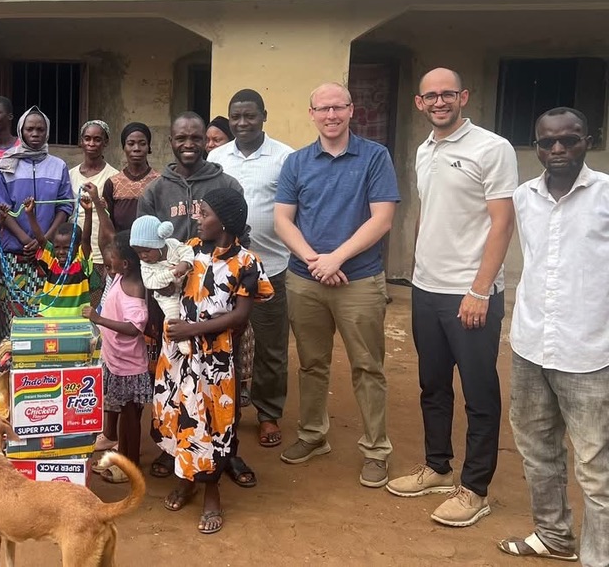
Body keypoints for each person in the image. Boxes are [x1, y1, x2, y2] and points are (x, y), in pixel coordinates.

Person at [386, 69, 517, 527]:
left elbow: (502, 222)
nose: (439, 102)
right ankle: (437, 466)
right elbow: (430, 212)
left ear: (463, 96)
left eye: (447, 94)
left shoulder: (492, 148)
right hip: (427, 289)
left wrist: (480, 289)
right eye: (431, 96)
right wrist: (417, 270)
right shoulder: (425, 149)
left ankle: (475, 488)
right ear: (419, 103)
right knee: (433, 385)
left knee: (479, 393)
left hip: (470, 293)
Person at [497, 108, 609, 565]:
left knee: (596, 468)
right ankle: (553, 536)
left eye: (569, 139)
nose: (558, 148)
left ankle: (598, 557)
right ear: (538, 147)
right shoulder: (523, 197)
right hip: (530, 345)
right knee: (537, 450)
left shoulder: (605, 195)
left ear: (587, 141)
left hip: (590, 353)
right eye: (547, 142)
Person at [274, 82, 400, 488]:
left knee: (368, 366)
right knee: (311, 363)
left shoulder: (375, 157)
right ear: (311, 114)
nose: (331, 115)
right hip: (306, 278)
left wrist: (337, 258)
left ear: (351, 110)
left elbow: (382, 219)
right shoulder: (296, 162)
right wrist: (316, 261)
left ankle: (376, 450)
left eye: (338, 107)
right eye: (323, 108)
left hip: (358, 280)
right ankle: (313, 435)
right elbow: (283, 220)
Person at [137, 112, 252, 486]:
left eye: (196, 137)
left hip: (218, 306)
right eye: (181, 138)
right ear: (170, 140)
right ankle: (173, 449)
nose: (188, 144)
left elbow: (241, 240)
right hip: (172, 304)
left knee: (223, 382)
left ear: (207, 140)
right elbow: (144, 250)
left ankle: (226, 453)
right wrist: (156, 301)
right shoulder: (156, 190)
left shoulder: (225, 183)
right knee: (174, 380)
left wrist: (235, 301)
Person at [154, 188, 273, 535]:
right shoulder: (189, 250)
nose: (197, 218)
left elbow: (240, 316)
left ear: (225, 222)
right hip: (178, 355)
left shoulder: (246, 263)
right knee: (181, 416)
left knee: (214, 423)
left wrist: (193, 329)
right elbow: (171, 286)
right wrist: (166, 286)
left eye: (204, 213)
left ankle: (211, 493)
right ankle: (186, 479)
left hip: (214, 360)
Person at [208, 89, 295, 450]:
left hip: (270, 267)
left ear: (264, 116)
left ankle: (268, 413)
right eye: (236, 117)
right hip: (224, 270)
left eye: (250, 116)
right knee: (223, 343)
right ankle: (223, 411)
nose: (242, 123)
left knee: (270, 348)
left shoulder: (284, 157)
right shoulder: (216, 157)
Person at [0, 106, 74, 335]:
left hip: (48, 255)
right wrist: (27, 240)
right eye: (30, 129)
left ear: (47, 132)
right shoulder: (5, 164)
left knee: (44, 313)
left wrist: (43, 241)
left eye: (40, 129)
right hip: (14, 253)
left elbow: (65, 206)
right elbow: (1, 207)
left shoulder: (58, 166)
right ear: (21, 131)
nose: (35, 133)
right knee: (13, 313)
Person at [84, 229, 151, 481]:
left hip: (129, 367)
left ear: (125, 263)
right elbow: (105, 240)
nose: (107, 260)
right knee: (124, 413)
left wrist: (99, 319)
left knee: (130, 419)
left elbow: (134, 328)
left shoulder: (134, 289)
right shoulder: (119, 277)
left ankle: (129, 465)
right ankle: (122, 455)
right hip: (116, 361)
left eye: (111, 257)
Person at [69, 119, 119, 307]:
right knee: (74, 306)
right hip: (74, 253)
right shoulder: (70, 175)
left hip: (99, 254)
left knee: (95, 308)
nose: (91, 144)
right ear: (81, 141)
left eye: (97, 139)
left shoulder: (113, 177)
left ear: (106, 142)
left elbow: (114, 220)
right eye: (87, 138)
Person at [129, 216, 194, 354]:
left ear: (159, 244)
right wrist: (172, 273)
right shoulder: (145, 265)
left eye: (147, 251)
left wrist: (185, 263)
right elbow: (150, 282)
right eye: (138, 253)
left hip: (187, 283)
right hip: (167, 296)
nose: (143, 256)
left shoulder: (173, 245)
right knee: (172, 313)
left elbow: (187, 251)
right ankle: (181, 340)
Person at [23, 195, 93, 317]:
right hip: (48, 318)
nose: (61, 252)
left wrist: (88, 212)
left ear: (77, 247)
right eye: (57, 247)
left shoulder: (81, 262)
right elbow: (41, 239)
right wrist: (30, 214)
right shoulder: (52, 260)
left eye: (67, 248)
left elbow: (86, 239)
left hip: (75, 320)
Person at [102, 122, 160, 232]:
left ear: (148, 147)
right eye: (131, 143)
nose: (136, 148)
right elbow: (108, 224)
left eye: (142, 143)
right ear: (124, 147)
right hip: (120, 242)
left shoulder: (159, 182)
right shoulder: (113, 183)